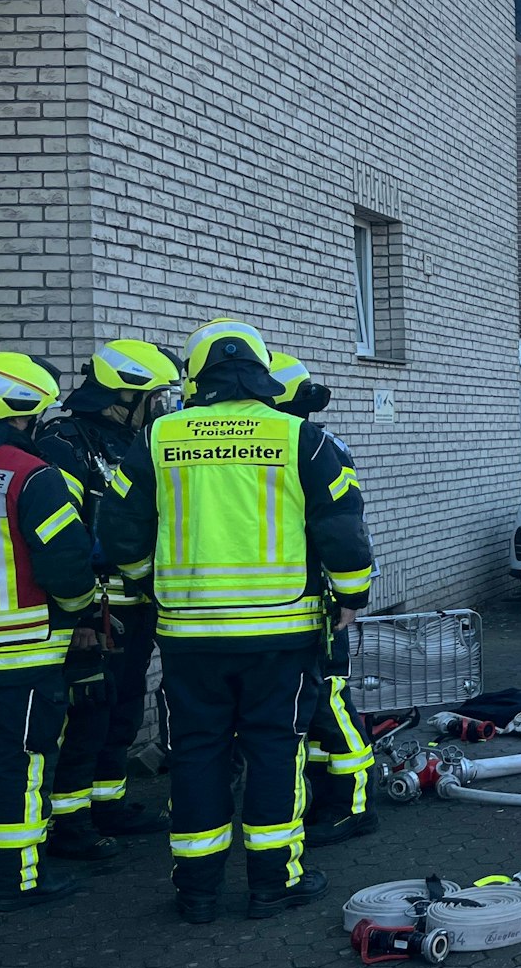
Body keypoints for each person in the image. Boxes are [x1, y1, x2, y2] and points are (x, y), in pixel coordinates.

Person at [100, 319, 374, 923]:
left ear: (197, 377)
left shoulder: (158, 438)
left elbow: (118, 533)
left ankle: (196, 891)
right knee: (277, 751)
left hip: (189, 637)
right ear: (261, 373)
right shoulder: (301, 438)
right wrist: (350, 596)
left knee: (197, 754)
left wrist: (151, 581)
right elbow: (343, 529)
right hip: (282, 633)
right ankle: (273, 885)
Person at [0, 352, 102, 910]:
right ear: (19, 412)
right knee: (22, 765)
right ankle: (20, 878)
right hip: (22, 656)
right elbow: (68, 568)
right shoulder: (34, 477)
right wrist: (79, 612)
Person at [33, 340, 180, 861]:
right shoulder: (63, 442)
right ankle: (68, 824)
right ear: (121, 395)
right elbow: (65, 539)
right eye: (155, 399)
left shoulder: (137, 440)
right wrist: (81, 613)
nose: (162, 409)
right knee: (86, 716)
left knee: (121, 707)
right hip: (92, 611)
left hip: (136, 602)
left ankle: (107, 803)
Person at [265, 352, 379, 847]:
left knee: (330, 700)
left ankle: (354, 803)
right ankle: (321, 797)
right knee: (309, 707)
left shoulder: (317, 449)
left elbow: (340, 529)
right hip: (292, 601)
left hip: (318, 600)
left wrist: (347, 593)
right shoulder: (296, 445)